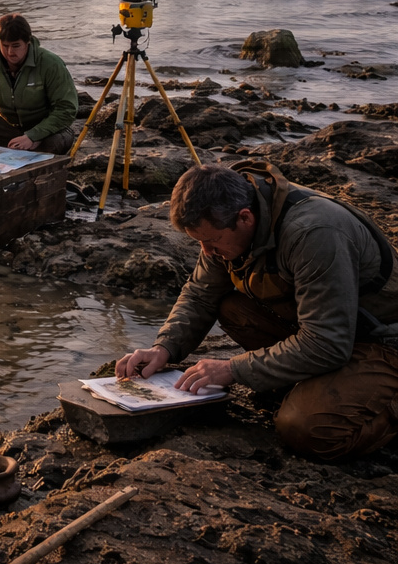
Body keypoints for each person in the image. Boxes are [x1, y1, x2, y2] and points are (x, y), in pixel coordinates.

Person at [116, 162, 398, 460]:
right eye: (198, 242)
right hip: (339, 332)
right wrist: (164, 348)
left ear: (245, 218)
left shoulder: (314, 233)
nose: (206, 252)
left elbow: (327, 344)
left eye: (210, 241)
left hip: (384, 343)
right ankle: (319, 385)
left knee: (303, 427)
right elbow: (200, 295)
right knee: (233, 309)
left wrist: (233, 369)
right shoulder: (226, 220)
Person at [0, 13, 78, 154]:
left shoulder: (50, 64)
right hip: (6, 123)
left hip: (46, 127)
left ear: (28, 42)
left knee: (51, 145)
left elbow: (66, 109)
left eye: (16, 46)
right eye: (5, 46)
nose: (10, 52)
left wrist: (33, 136)